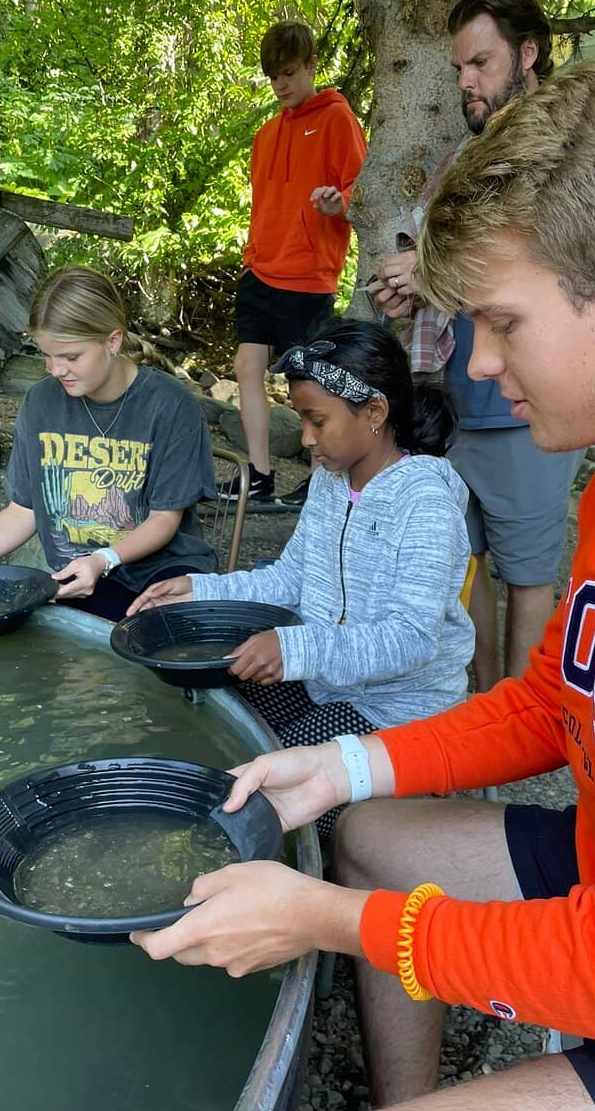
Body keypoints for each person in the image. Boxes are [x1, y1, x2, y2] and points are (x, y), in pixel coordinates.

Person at [130, 58, 595, 1111]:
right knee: (368, 828)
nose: (481, 366)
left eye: (503, 323)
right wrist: (348, 766)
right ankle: (432, 1110)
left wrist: (325, 921)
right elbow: (552, 701)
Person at [130, 319, 472, 833]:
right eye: (300, 419)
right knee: (209, 717)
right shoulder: (331, 483)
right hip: (325, 682)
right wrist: (201, 591)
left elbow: (412, 639)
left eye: (317, 421)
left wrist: (294, 650)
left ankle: (308, 874)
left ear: (375, 412)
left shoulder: (425, 502)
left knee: (264, 791)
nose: (307, 439)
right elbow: (292, 578)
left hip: (397, 713)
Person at [372, 0, 580, 691]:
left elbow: (542, 260)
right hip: (453, 397)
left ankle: (524, 724)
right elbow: (446, 276)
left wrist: (427, 268)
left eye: (481, 64)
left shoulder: (563, 144)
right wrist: (405, 286)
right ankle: (485, 702)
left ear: (529, 53)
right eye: (459, 67)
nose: (466, 81)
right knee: (466, 559)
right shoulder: (467, 157)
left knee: (527, 572)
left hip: (529, 398)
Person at [0, 266, 217, 619]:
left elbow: (165, 519)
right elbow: (25, 510)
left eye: (70, 357)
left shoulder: (170, 403)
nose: (55, 369)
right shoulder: (41, 402)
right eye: (46, 355)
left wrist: (104, 559)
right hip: (76, 577)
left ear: (113, 341)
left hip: (160, 575)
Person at [218, 20, 367, 505]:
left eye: (287, 73)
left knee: (310, 385)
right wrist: (252, 252)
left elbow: (361, 193)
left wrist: (336, 204)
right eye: (272, 77)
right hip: (261, 270)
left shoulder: (338, 119)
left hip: (308, 276)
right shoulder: (265, 136)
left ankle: (321, 480)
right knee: (246, 365)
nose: (280, 85)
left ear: (311, 66)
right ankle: (258, 478)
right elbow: (263, 206)